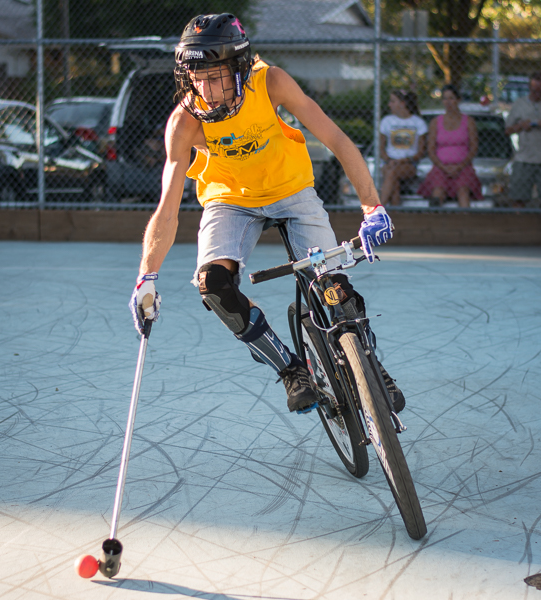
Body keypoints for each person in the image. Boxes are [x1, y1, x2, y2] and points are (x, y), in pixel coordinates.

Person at [128, 13, 403, 414]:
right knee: (212, 284)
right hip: (229, 199)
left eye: (215, 75)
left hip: (291, 190)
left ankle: (371, 366)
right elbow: (166, 209)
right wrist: (146, 276)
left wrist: (372, 206)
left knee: (333, 287)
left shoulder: (270, 81)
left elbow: (337, 140)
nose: (204, 88)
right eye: (196, 77)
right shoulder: (185, 121)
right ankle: (292, 369)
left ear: (239, 67)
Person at [418, 84, 482, 208]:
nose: (448, 102)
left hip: (463, 167)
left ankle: (465, 221)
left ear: (458, 100)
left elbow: (473, 148)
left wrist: (459, 166)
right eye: (445, 98)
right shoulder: (435, 122)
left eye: (451, 98)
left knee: (463, 191)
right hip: (441, 167)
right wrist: (444, 167)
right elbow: (431, 150)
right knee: (438, 192)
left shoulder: (468, 121)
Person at [505, 72, 541, 208]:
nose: (538, 94)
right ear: (529, 87)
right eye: (534, 90)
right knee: (518, 197)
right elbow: (508, 130)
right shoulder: (519, 104)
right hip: (525, 157)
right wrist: (521, 126)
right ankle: (518, 225)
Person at [379, 90, 427, 206]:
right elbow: (381, 148)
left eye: (392, 101)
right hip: (389, 162)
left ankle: (377, 210)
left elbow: (420, 152)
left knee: (391, 174)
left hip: (409, 164)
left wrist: (402, 161)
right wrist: (389, 160)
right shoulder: (387, 121)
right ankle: (394, 213)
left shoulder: (418, 122)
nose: (389, 104)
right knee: (393, 180)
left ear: (403, 103)